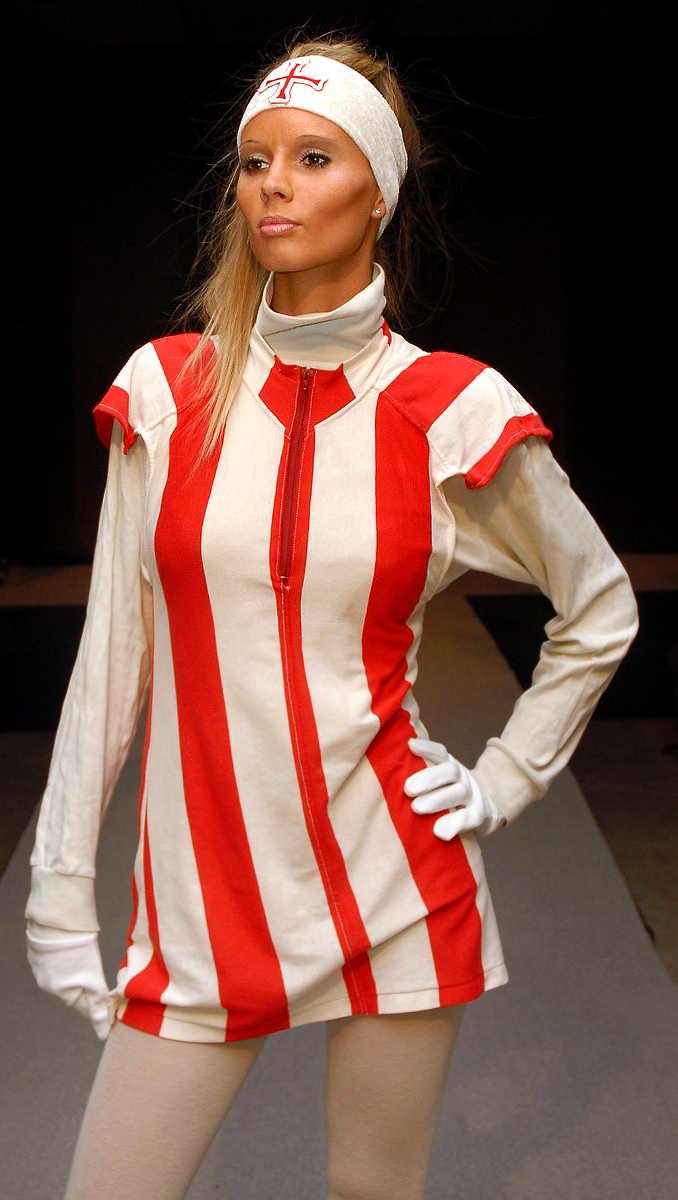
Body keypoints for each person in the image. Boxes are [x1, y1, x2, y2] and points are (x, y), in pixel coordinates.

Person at [24, 34, 638, 1200]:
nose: (275, 186)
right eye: (257, 162)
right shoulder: (169, 389)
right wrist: (60, 882)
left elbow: (599, 604)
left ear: (379, 197)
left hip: (393, 886)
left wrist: (506, 777)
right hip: (203, 905)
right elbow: (112, 659)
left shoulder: (450, 409)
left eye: (313, 159)